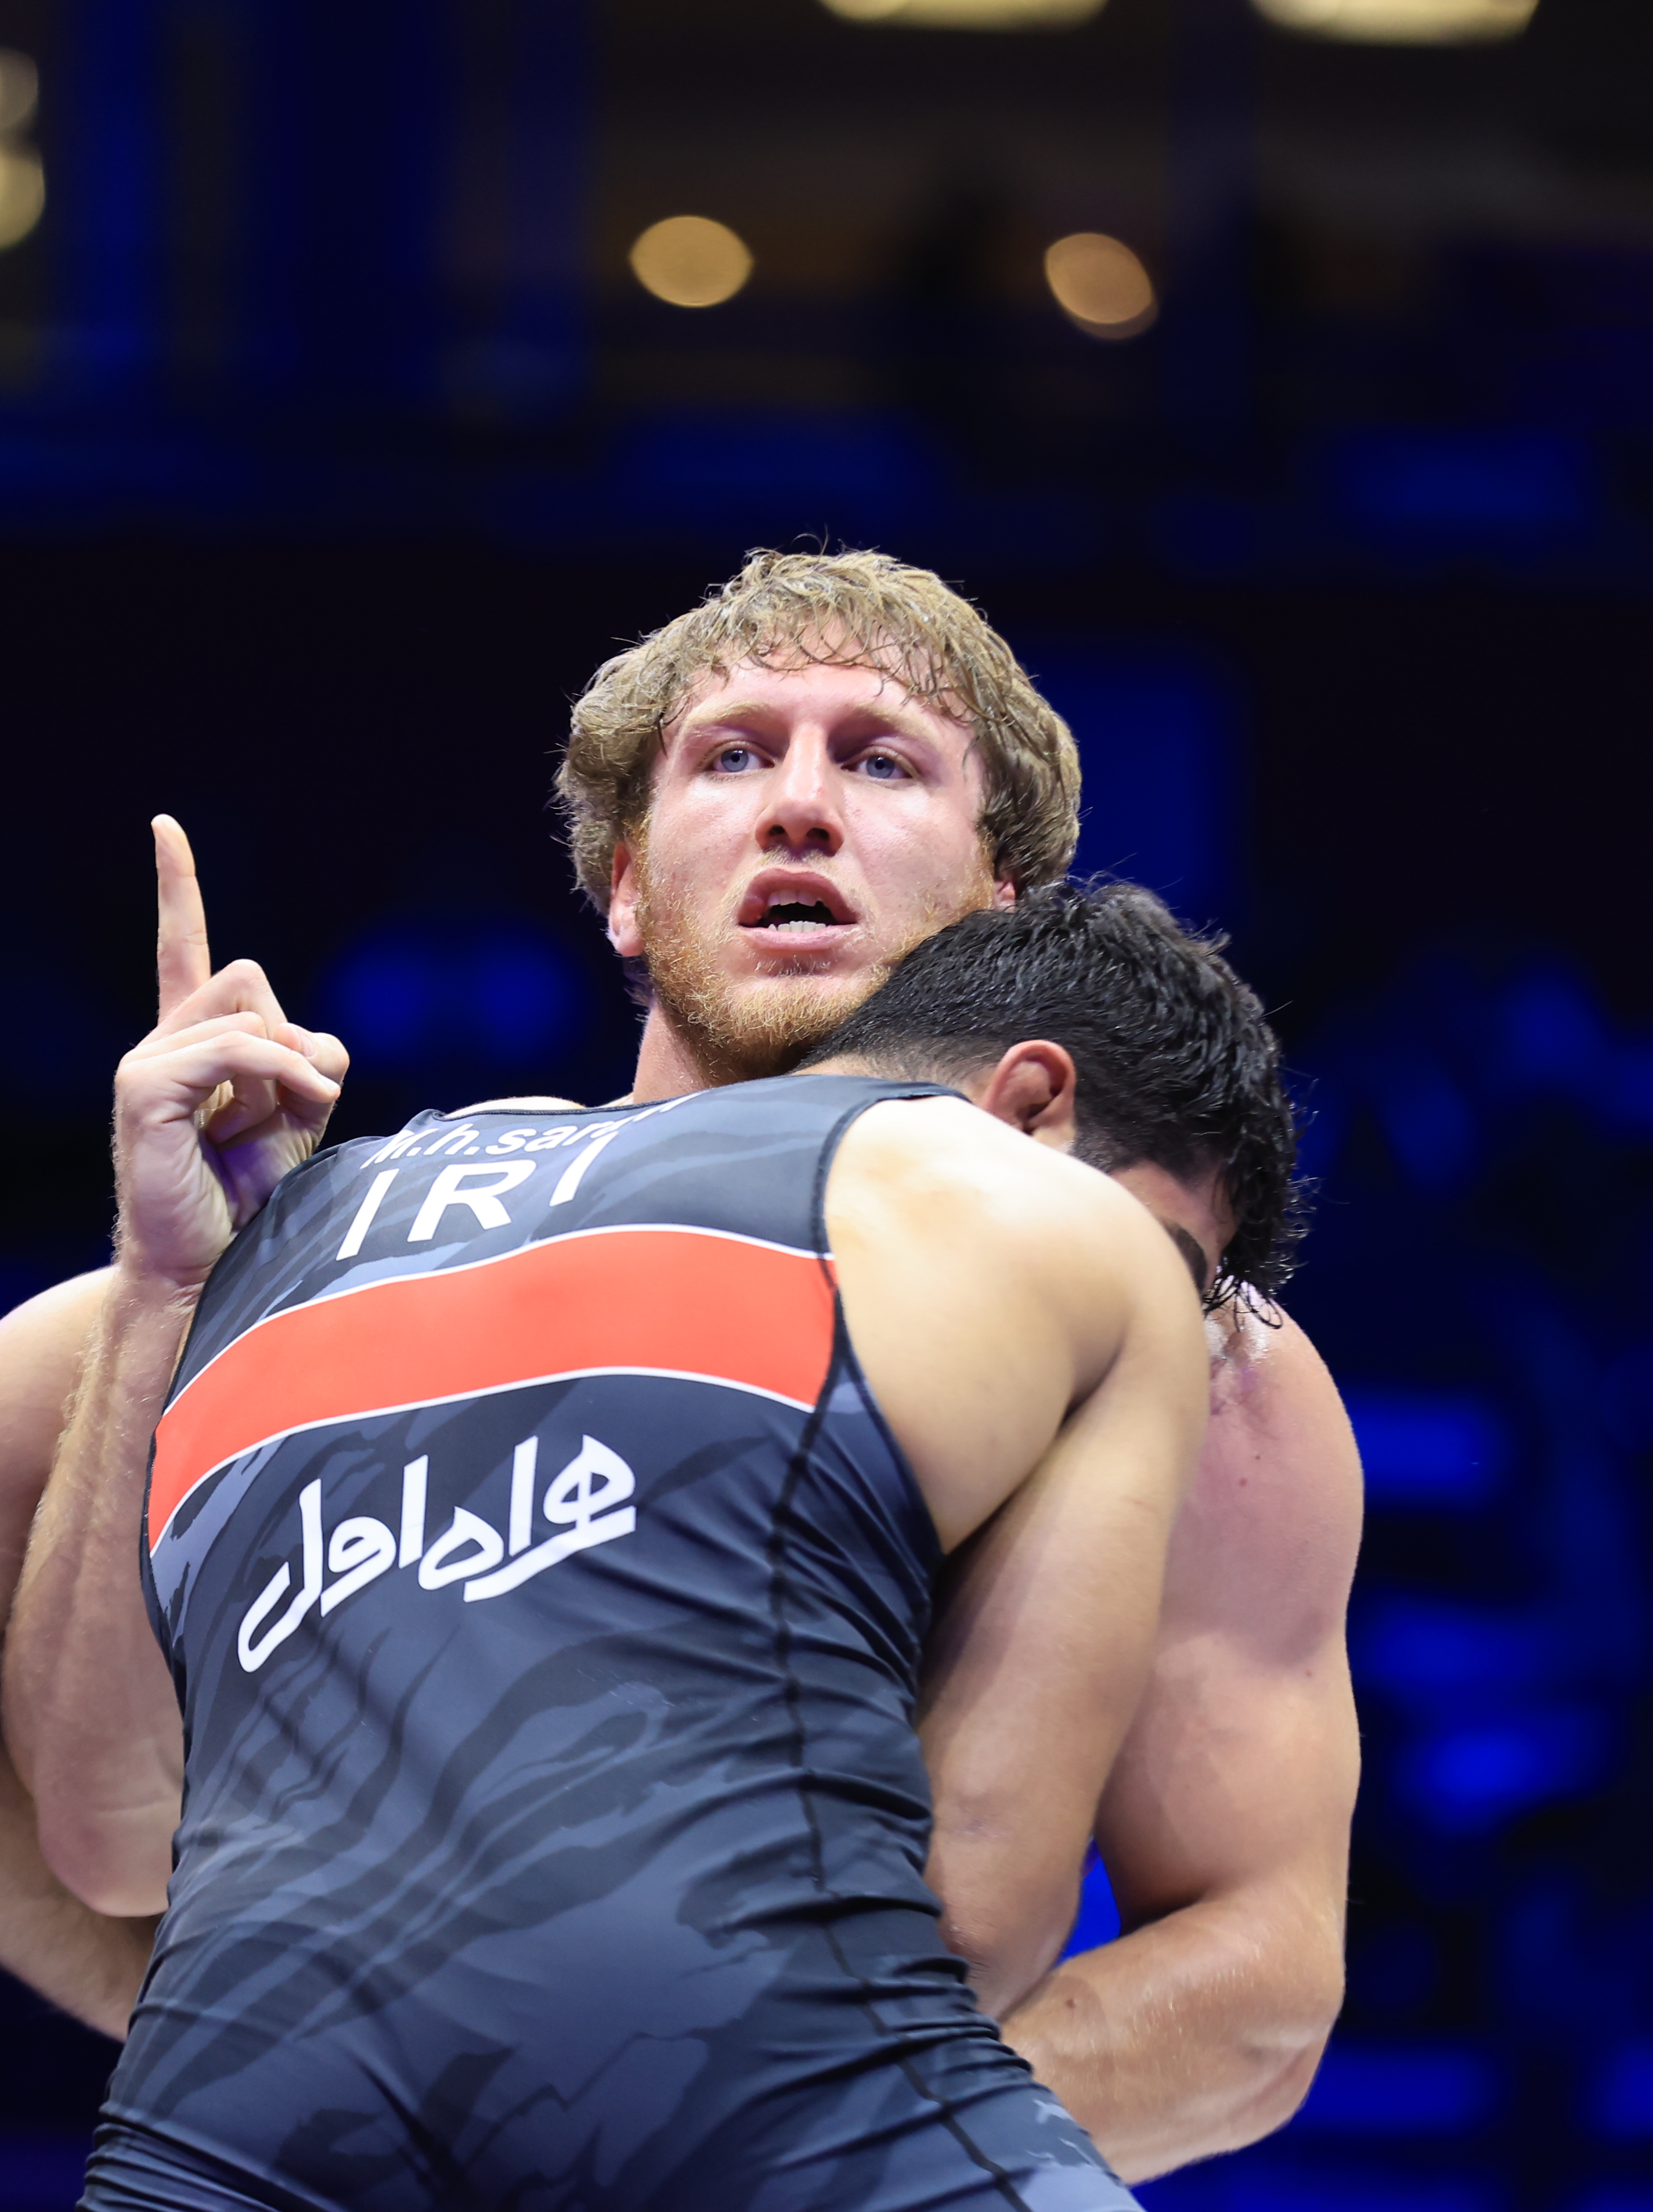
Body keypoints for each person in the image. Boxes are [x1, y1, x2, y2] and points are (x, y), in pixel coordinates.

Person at [0, 549, 1363, 2180]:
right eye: (734, 756)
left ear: (1000, 892)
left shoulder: (1187, 1331)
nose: (802, 805)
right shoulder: (321, 1253)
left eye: (879, 760)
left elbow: (1257, 1987)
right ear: (630, 884)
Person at [62, 884, 1278, 2210]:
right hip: (761, 2097)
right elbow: (976, 1918)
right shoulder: (1076, 1244)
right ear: (1030, 1106)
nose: (1210, 1340)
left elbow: (89, 1814)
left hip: (223, 2128)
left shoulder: (304, 1216)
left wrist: (159, 1286)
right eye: (1186, 1268)